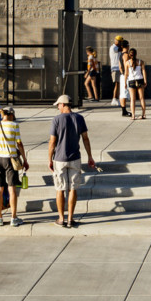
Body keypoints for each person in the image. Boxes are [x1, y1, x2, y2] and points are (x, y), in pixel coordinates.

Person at [47, 95, 94, 229]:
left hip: (59, 159)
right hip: (75, 157)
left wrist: (49, 159)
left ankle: (61, 218)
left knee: (60, 189)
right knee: (73, 188)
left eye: (58, 105)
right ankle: (70, 218)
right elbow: (85, 138)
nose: (57, 107)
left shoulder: (56, 120)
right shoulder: (79, 118)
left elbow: (52, 141)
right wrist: (90, 156)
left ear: (63, 104)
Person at [0, 107, 27, 227]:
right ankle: (13, 217)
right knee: (12, 188)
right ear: (11, 114)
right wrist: (24, 160)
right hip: (10, 158)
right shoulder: (14, 125)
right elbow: (19, 144)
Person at [125, 47, 146, 119]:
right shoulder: (141, 62)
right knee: (141, 98)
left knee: (132, 99)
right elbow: (143, 71)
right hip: (140, 80)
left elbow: (126, 74)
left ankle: (133, 115)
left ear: (129, 55)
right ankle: (143, 114)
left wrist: (125, 82)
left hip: (131, 81)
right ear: (136, 54)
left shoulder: (127, 63)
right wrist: (145, 80)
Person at [108, 36, 125, 110]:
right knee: (117, 84)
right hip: (115, 68)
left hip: (119, 68)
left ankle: (116, 98)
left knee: (119, 84)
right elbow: (121, 49)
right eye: (119, 41)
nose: (120, 42)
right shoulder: (113, 47)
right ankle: (114, 99)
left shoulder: (117, 48)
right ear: (116, 41)